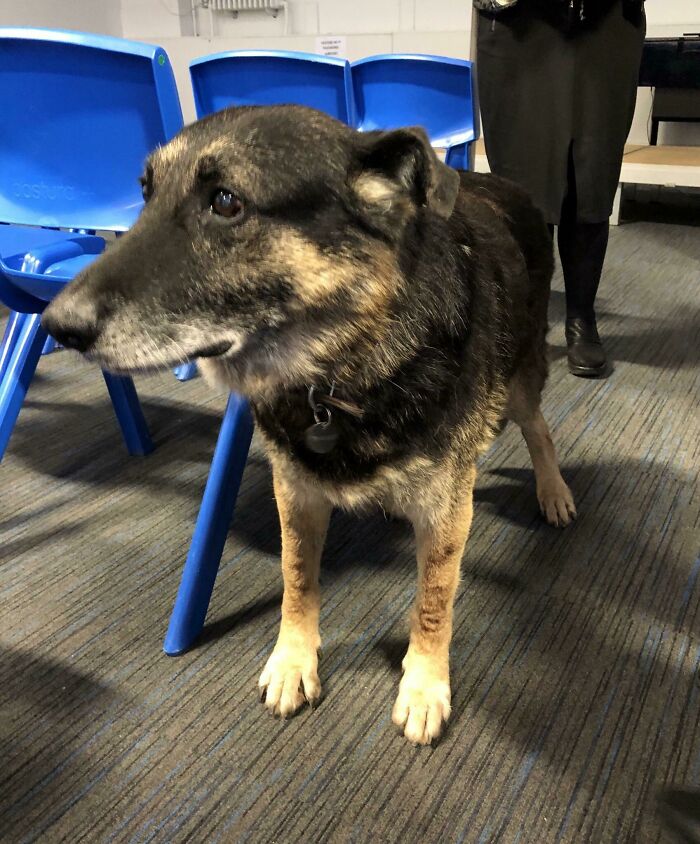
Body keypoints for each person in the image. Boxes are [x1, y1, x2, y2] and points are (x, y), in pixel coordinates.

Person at [475, 0, 646, 376]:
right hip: (519, 24)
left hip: (606, 22)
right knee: (520, 180)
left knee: (592, 171)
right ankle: (523, 324)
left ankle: (581, 320)